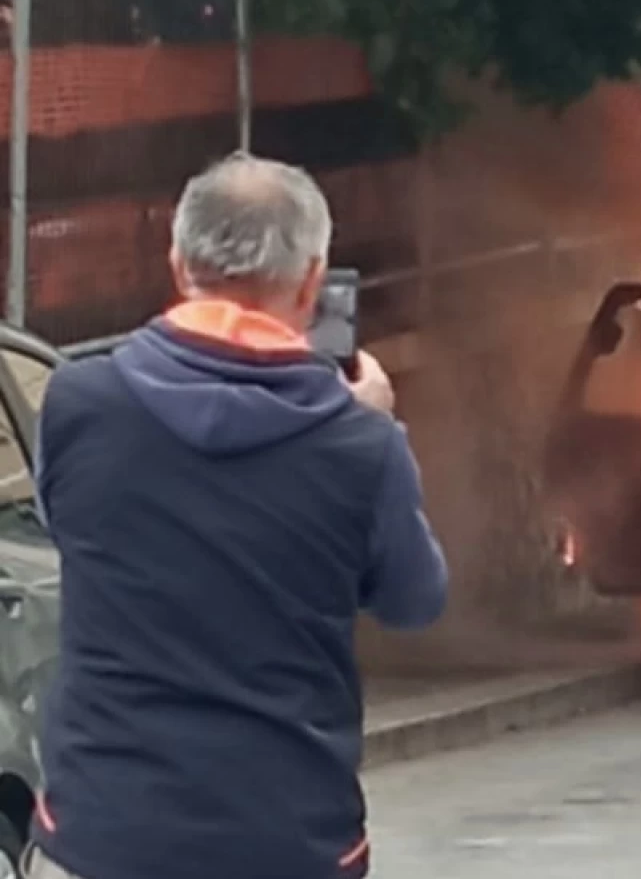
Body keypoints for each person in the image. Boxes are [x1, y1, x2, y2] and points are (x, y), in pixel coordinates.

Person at [25, 153, 449, 879]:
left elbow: (68, 527)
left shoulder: (78, 405)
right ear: (314, 281)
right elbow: (416, 600)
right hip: (288, 841)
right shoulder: (359, 446)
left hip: (103, 834)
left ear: (177, 262)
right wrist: (374, 428)